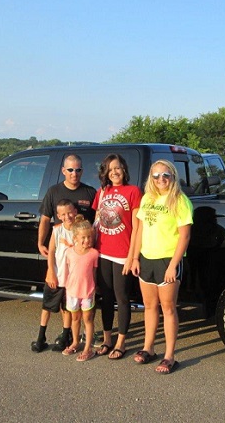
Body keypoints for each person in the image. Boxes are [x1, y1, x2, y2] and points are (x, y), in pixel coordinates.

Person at [131, 160, 193, 374]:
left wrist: (173, 266)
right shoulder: (148, 198)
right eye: (156, 176)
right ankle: (148, 348)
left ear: (173, 176)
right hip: (147, 258)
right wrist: (136, 257)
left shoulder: (179, 200)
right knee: (149, 306)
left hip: (167, 260)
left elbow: (185, 236)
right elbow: (140, 230)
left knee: (168, 308)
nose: (161, 179)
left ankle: (169, 356)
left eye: (165, 175)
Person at [37, 154, 96, 350]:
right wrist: (40, 243)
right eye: (70, 169)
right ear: (63, 171)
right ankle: (68, 334)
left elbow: (97, 223)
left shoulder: (89, 192)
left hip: (83, 261)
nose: (74, 173)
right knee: (66, 300)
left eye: (78, 169)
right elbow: (45, 219)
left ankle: (84, 333)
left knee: (84, 297)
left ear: (82, 171)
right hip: (62, 260)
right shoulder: (53, 191)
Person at [92, 153, 142, 360]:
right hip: (103, 251)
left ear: (124, 170)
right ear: (106, 172)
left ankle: (121, 342)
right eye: (111, 169)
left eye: (118, 168)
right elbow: (96, 221)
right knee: (105, 298)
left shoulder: (133, 191)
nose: (115, 172)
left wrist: (132, 256)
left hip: (123, 254)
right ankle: (107, 339)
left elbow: (138, 227)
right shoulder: (102, 192)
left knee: (122, 298)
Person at [30, 199, 77, 353]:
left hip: (71, 279)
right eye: (63, 214)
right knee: (47, 306)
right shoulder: (57, 230)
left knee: (67, 309)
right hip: (56, 275)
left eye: (70, 212)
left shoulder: (80, 230)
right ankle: (40, 337)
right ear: (58, 215)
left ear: (75, 212)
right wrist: (50, 271)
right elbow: (51, 251)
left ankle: (64, 337)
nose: (67, 216)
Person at [60, 216, 100, 362]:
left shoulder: (94, 254)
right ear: (75, 237)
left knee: (88, 319)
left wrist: (94, 288)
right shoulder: (69, 252)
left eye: (89, 237)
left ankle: (87, 348)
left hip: (87, 292)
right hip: (72, 292)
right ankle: (75, 342)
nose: (87, 240)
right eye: (83, 237)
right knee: (75, 318)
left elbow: (94, 274)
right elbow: (66, 271)